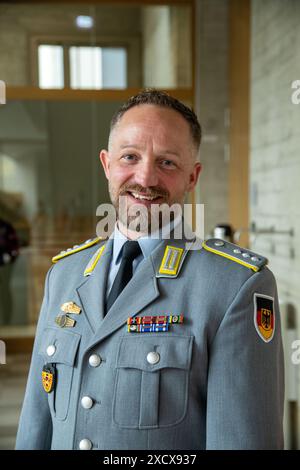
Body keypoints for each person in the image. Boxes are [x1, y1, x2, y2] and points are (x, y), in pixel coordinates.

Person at [16, 89, 284, 450]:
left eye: (167, 162)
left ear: (193, 177)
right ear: (107, 164)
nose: (145, 178)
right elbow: (36, 426)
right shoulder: (63, 275)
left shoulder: (234, 286)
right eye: (130, 157)